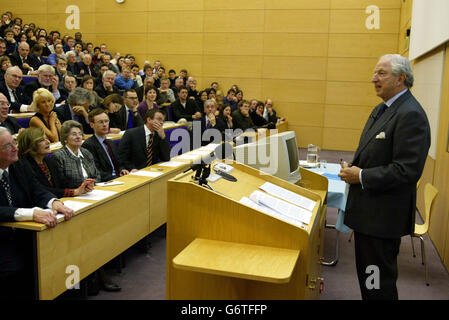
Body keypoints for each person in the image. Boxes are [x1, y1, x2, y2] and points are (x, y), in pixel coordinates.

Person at [338, 54, 431, 300]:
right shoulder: (383, 108)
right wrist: (356, 168)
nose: (373, 79)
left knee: (378, 285)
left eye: (381, 73)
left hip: (382, 219)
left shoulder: (411, 114)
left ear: (401, 78)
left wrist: (362, 176)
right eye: (374, 73)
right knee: (369, 281)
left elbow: (407, 170)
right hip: (369, 216)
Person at [0, 127, 74, 299]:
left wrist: (54, 202)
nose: (15, 148)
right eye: (7, 146)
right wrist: (30, 213)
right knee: (18, 267)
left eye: (15, 143)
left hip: (23, 234)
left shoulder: (18, 164)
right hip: (3, 240)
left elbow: (36, 189)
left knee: (59, 251)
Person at [17, 127, 93, 198]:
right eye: (42, 140)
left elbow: (63, 183)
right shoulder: (24, 165)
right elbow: (41, 190)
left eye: (46, 139)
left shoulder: (50, 161)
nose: (48, 142)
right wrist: (74, 192)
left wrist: (82, 186)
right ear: (31, 144)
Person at [83, 108, 130, 182]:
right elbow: (96, 171)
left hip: (118, 179)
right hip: (106, 181)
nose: (104, 125)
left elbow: (119, 163)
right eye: (100, 122)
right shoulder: (88, 145)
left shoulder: (110, 142)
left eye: (106, 121)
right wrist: (116, 178)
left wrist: (122, 170)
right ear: (92, 125)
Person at [52, 120, 100, 188]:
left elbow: (97, 175)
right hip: (74, 193)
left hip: (92, 190)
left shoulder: (86, 152)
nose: (78, 137)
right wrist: (83, 187)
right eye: (74, 134)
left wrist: (92, 184)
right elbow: (62, 183)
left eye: (80, 134)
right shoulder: (58, 156)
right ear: (65, 138)